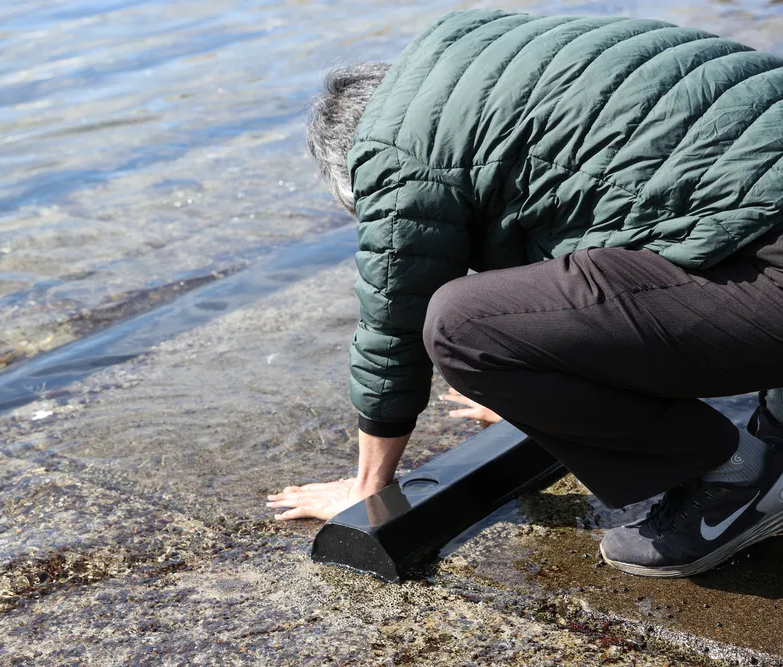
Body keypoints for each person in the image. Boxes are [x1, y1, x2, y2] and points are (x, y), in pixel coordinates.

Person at [267, 8, 783, 578]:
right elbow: (611, 221)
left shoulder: (393, 153)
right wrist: (556, 393)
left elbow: (393, 331)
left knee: (460, 327)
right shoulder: (482, 49)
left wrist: (369, 489)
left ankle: (736, 478)